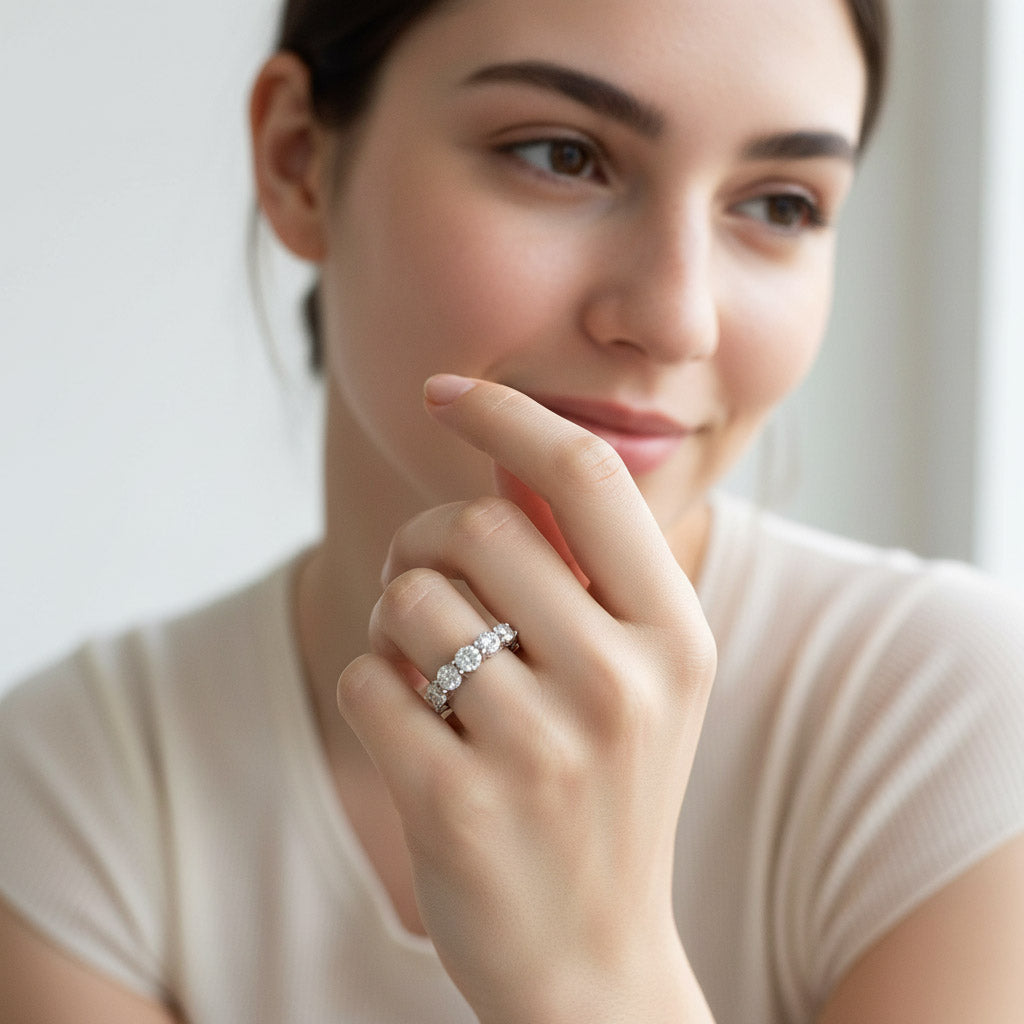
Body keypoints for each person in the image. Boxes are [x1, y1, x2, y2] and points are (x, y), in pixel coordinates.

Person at [2, 0, 1024, 1020]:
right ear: (296, 162)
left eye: (781, 205)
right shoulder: (74, 787)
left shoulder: (956, 735)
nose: (677, 317)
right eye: (561, 154)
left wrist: (591, 969)